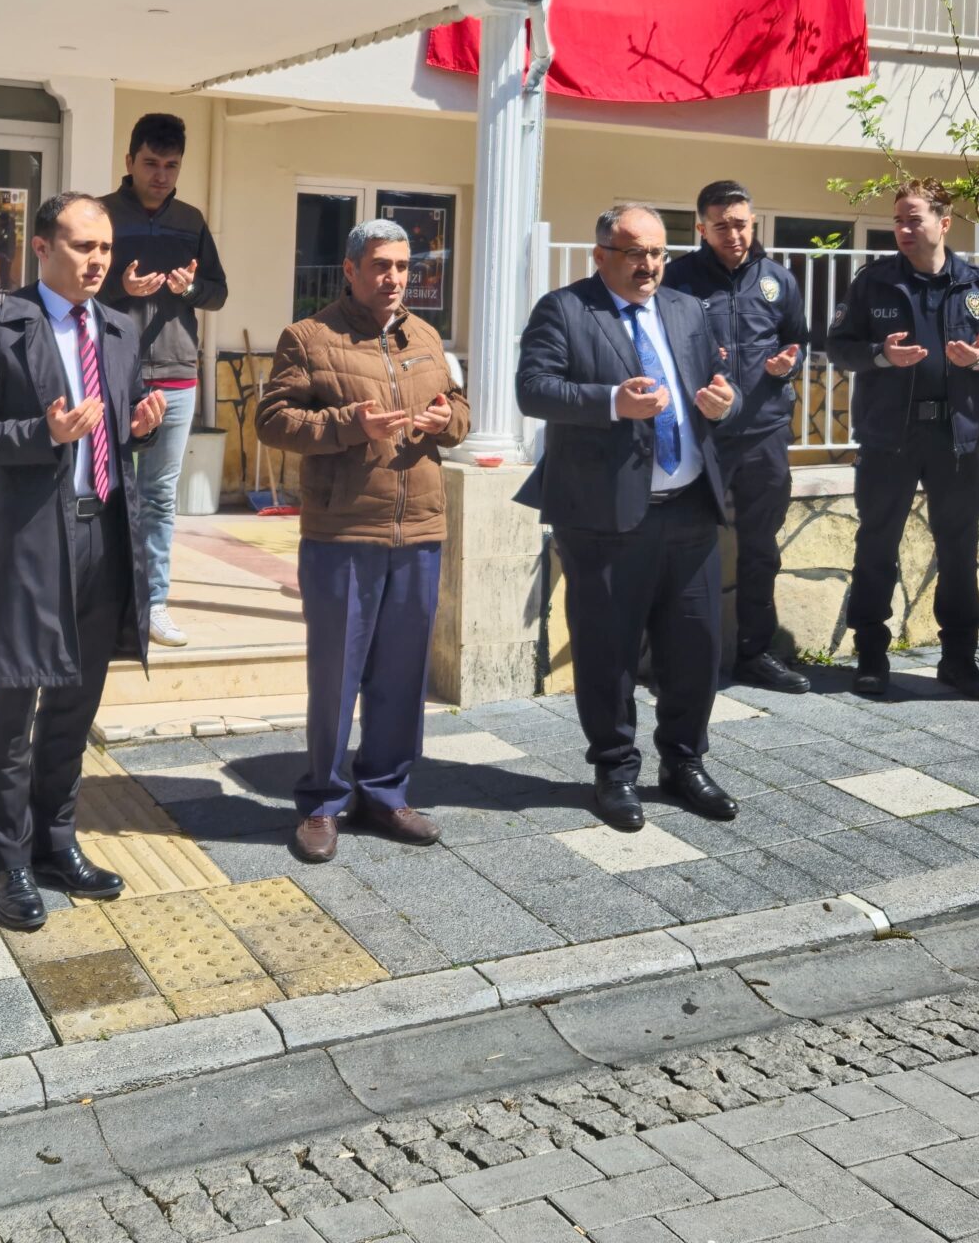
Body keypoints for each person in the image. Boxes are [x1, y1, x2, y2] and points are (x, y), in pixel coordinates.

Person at [0, 192, 167, 930]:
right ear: (41, 248)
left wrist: (138, 425)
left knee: (76, 707)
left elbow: (120, 423)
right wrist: (41, 434)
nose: (97, 261)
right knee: (16, 706)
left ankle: (56, 840)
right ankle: (9, 859)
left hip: (103, 534)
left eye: (105, 248)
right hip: (34, 542)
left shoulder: (118, 326)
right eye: (82, 247)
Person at [515, 205, 743, 833]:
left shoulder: (686, 309)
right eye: (635, 253)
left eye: (658, 253)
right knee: (608, 651)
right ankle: (614, 770)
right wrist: (612, 402)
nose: (649, 265)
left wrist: (726, 401)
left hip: (691, 509)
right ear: (602, 255)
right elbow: (533, 389)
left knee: (696, 646)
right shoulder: (565, 310)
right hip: (604, 517)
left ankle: (684, 762)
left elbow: (723, 382)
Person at [256, 219, 472, 863]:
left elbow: (460, 409)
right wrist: (352, 424)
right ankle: (322, 801)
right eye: (381, 266)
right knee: (336, 675)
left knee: (403, 677)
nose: (395, 278)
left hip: (420, 529)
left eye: (404, 267)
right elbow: (274, 421)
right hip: (343, 530)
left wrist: (447, 419)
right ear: (350, 269)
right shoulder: (309, 336)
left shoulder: (425, 334)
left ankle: (385, 791)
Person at [823, 181, 979, 699]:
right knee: (877, 544)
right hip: (890, 437)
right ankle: (871, 655)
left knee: (958, 550)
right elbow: (839, 348)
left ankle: (959, 659)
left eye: (914, 220)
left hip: (955, 439)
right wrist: (880, 355)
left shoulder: (976, 284)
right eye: (898, 221)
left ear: (944, 222)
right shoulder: (874, 282)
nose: (904, 230)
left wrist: (978, 360)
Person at [664, 180, 813, 692]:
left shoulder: (778, 279)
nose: (735, 235)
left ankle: (755, 653)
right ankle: (680, 661)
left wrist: (789, 363)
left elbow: (797, 339)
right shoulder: (676, 279)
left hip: (763, 433)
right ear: (702, 228)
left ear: (754, 223)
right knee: (685, 545)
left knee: (760, 548)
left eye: (742, 224)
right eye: (723, 226)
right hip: (699, 436)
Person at [103, 112, 228, 651]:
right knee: (103, 492)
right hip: (109, 374)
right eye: (150, 163)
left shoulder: (191, 219)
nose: (160, 175)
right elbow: (73, 289)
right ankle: (106, 604)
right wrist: (119, 287)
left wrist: (194, 287)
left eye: (171, 166)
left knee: (158, 498)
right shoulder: (101, 216)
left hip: (176, 376)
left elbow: (219, 292)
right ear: (129, 162)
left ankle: (154, 604)